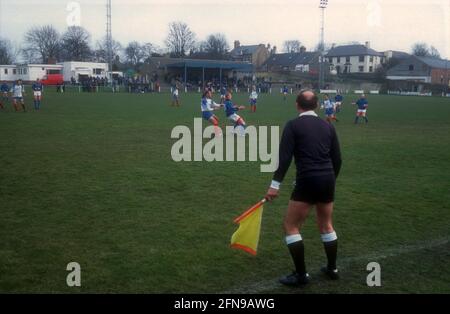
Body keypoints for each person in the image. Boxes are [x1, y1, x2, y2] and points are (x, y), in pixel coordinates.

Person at [265, 90, 342, 287]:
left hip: (307, 179)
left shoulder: (293, 125)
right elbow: (338, 159)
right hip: (327, 179)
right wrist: (331, 180)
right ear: (317, 106)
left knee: (291, 226)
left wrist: (274, 186)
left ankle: (301, 275)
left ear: (297, 105)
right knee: (326, 224)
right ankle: (332, 269)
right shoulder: (328, 126)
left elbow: (284, 159)